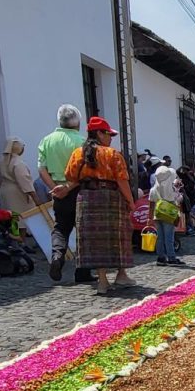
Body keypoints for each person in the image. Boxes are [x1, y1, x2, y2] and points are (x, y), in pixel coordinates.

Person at [55, 116, 136, 296]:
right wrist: (131, 201)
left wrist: (66, 189)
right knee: (118, 236)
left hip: (87, 199)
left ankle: (102, 281)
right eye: (108, 134)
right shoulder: (112, 154)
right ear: (99, 133)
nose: (110, 138)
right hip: (111, 197)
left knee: (95, 239)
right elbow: (122, 181)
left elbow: (74, 178)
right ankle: (121, 274)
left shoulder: (78, 154)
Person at [39, 104, 91, 284]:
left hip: (57, 190)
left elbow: (41, 169)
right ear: (77, 121)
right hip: (78, 189)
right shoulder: (82, 141)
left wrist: (55, 188)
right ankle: (82, 272)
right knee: (83, 230)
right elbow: (85, 172)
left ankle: (57, 256)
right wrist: (68, 187)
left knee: (61, 227)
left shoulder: (47, 140)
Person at [150, 158, 185, 266]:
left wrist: (149, 217)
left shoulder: (154, 188)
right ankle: (171, 258)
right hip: (168, 214)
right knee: (169, 237)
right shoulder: (171, 187)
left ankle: (160, 257)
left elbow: (151, 203)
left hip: (157, 214)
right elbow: (177, 199)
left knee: (160, 237)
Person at [0, 137, 39, 215]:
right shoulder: (18, 163)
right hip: (18, 192)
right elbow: (25, 182)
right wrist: (36, 199)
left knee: (11, 215)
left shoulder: (0, 161)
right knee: (22, 216)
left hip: (5, 191)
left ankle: (14, 227)